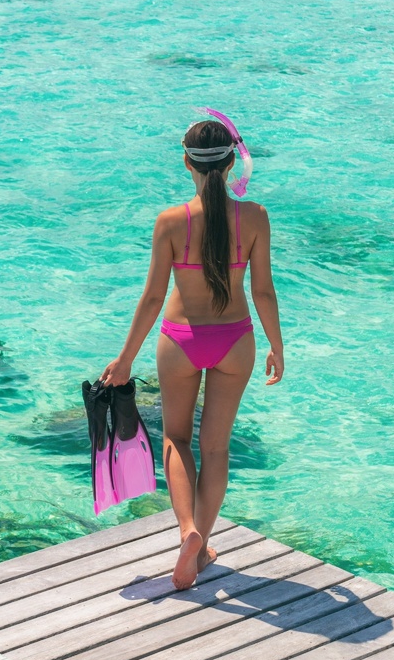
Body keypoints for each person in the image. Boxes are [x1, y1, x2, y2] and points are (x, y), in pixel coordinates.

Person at [100, 112, 284, 590]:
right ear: (230, 163)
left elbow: (153, 298)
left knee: (176, 441)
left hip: (180, 341)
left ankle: (188, 532)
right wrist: (276, 346)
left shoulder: (171, 221)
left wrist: (125, 359)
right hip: (235, 340)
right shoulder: (256, 217)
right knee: (216, 446)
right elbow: (263, 291)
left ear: (187, 163)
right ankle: (202, 547)